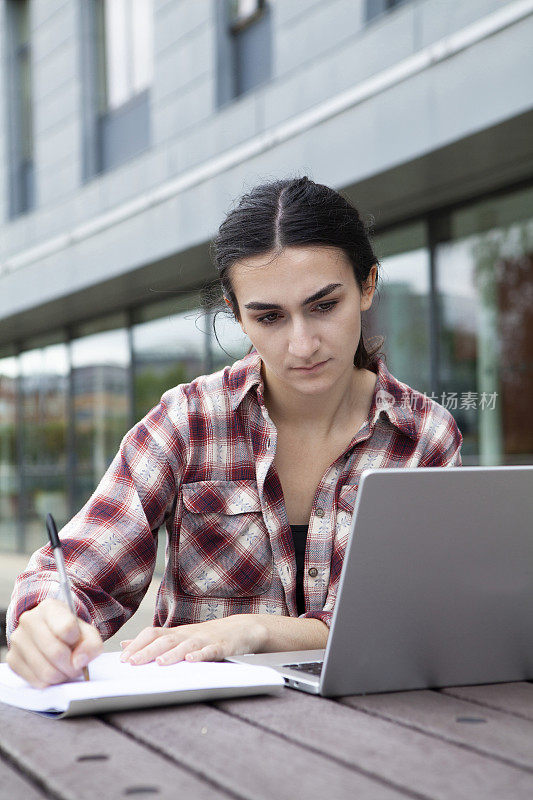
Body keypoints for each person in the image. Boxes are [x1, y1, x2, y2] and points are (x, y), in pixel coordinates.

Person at [6, 176, 462, 688]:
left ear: (367, 286)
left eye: (324, 305)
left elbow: (419, 622)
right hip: (207, 737)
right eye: (269, 316)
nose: (303, 344)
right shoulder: (189, 421)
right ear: (237, 315)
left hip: (383, 732)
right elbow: (78, 571)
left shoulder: (423, 437)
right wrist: (42, 621)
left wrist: (257, 631)